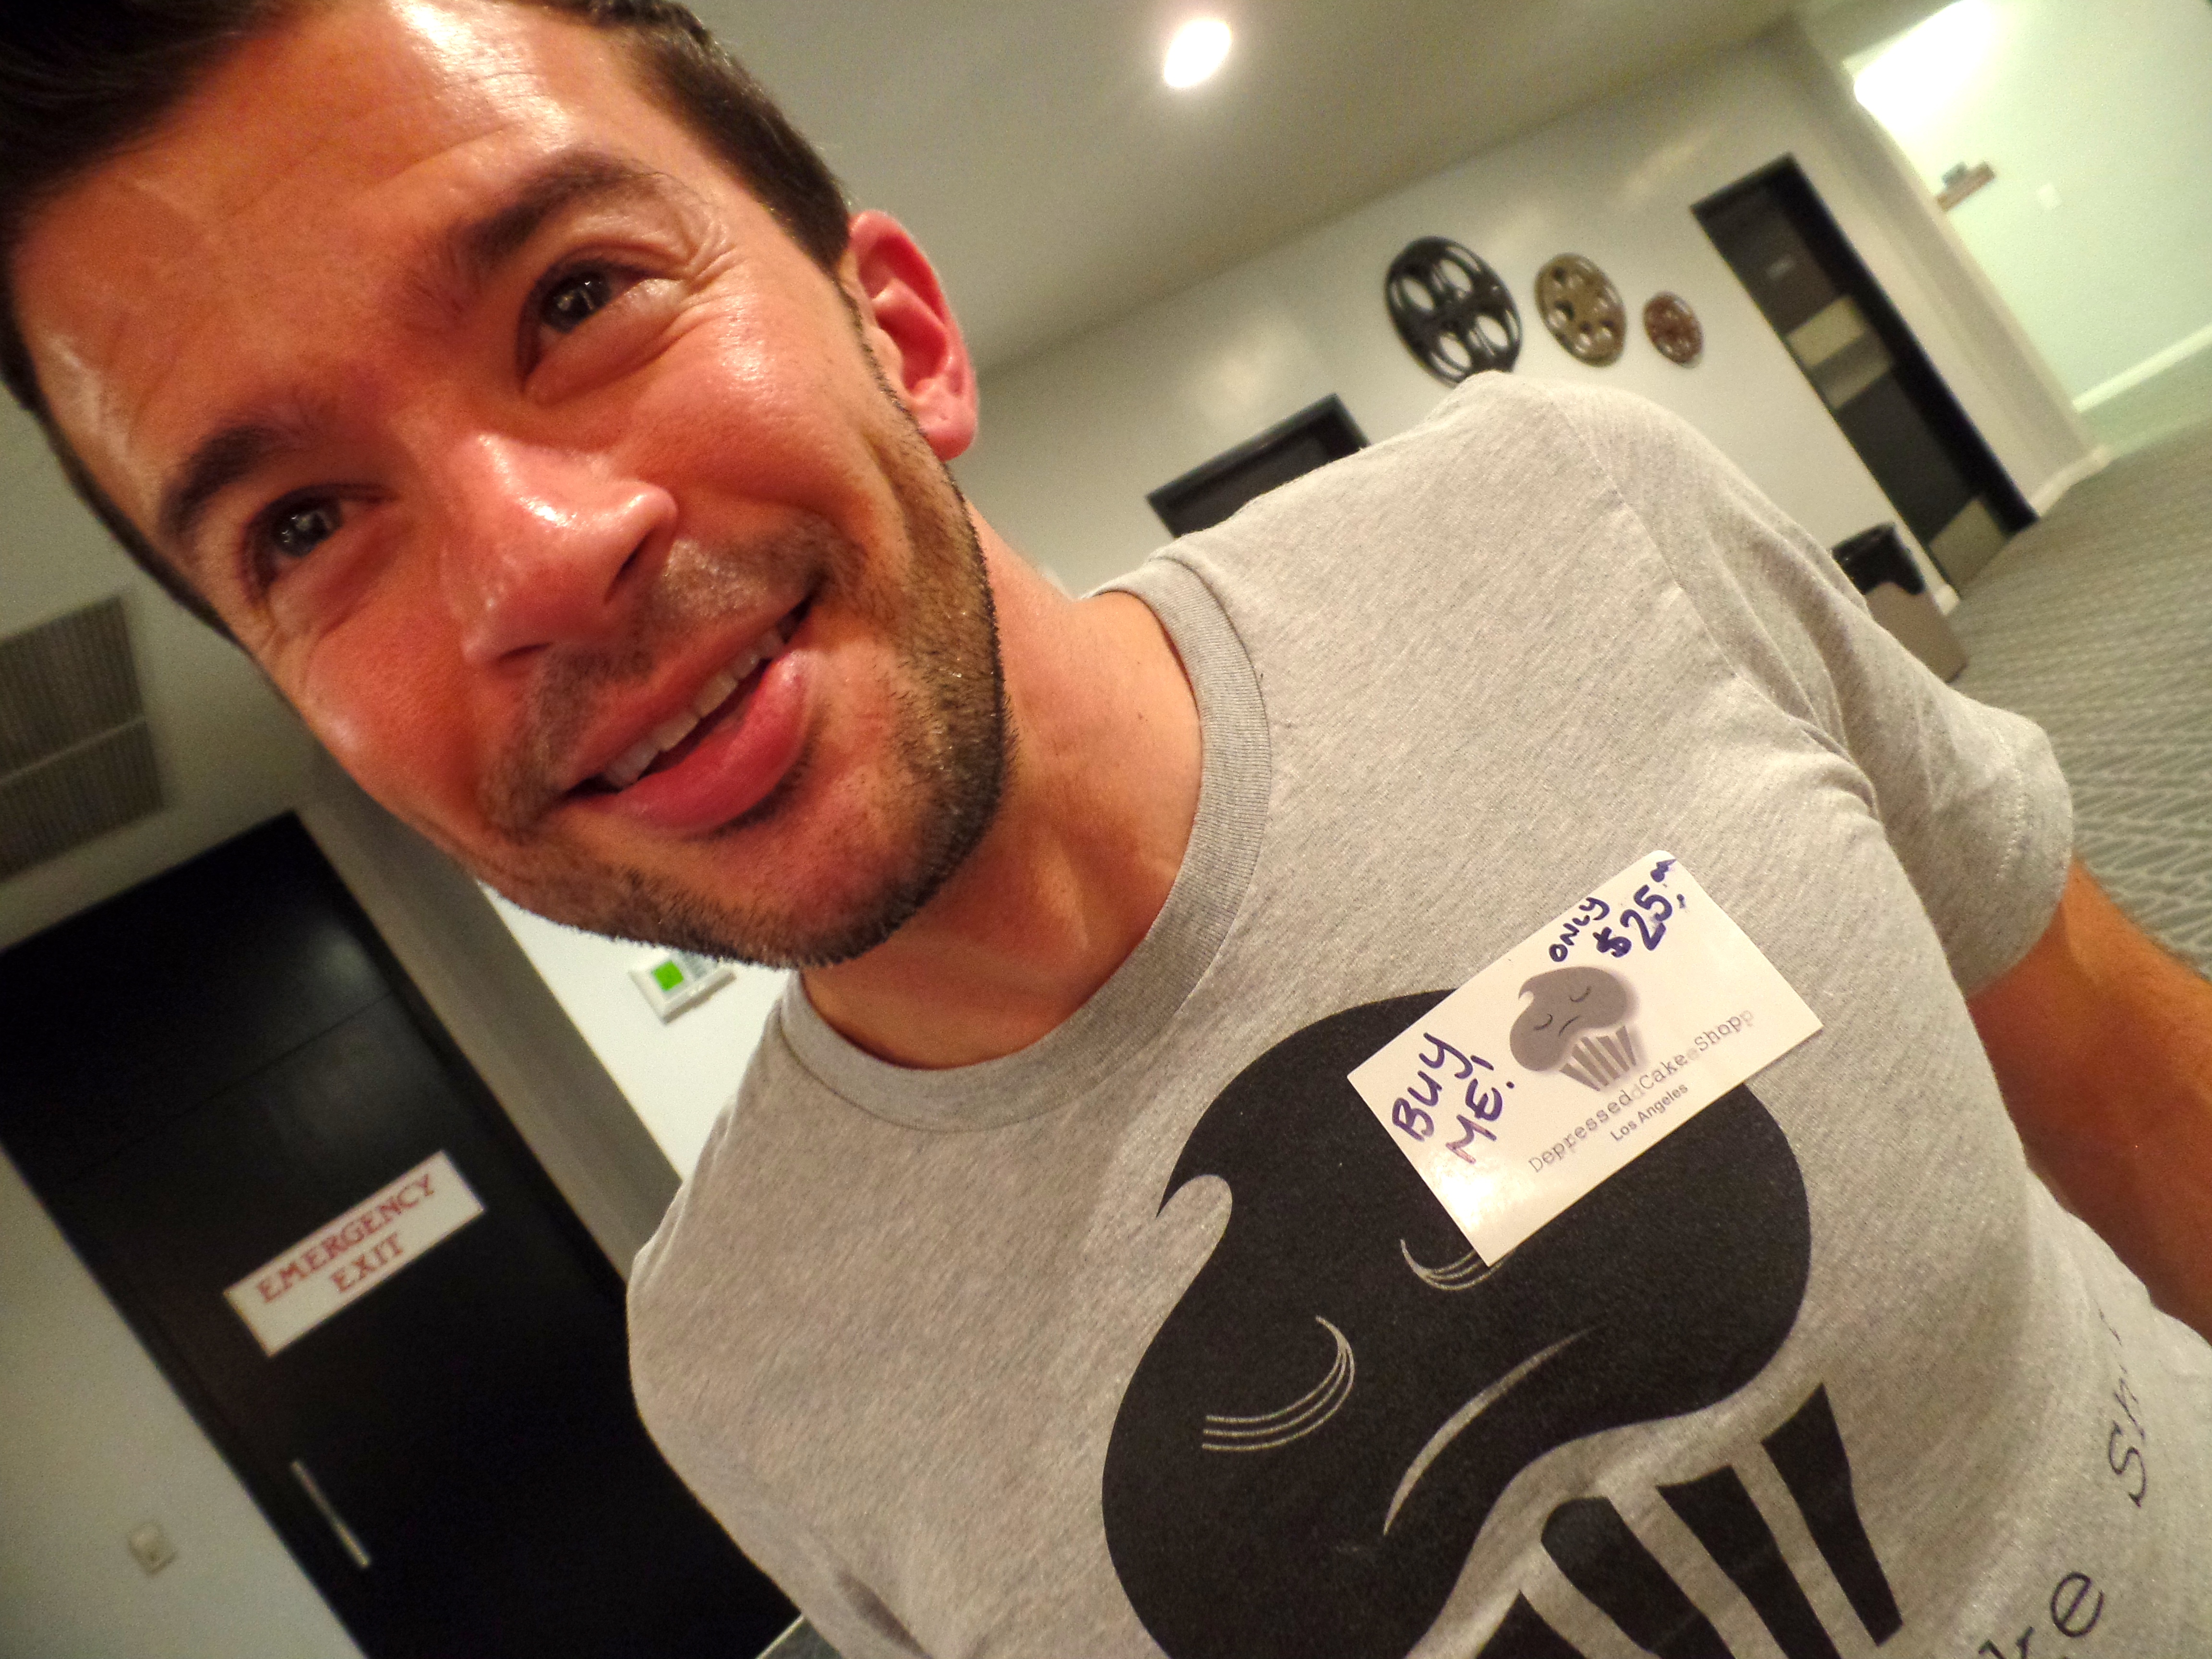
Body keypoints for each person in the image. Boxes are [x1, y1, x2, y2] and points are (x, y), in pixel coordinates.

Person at [4, 3, 2209, 1656]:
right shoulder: (740, 1364)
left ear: (900, 333)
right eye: (303, 526)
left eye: (576, 297)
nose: (531, 567)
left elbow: (2134, 1087)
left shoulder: (1573, 518)